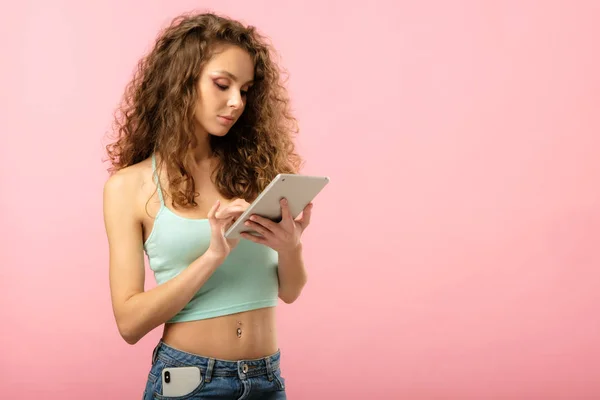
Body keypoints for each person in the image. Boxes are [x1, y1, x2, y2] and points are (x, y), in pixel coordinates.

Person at [102, 11, 313, 399]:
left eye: (245, 90)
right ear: (181, 84)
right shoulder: (128, 187)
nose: (236, 102)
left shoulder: (257, 172)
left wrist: (290, 247)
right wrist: (212, 256)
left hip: (266, 379)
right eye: (222, 84)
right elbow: (129, 323)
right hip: (189, 381)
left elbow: (289, 291)